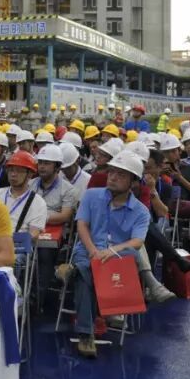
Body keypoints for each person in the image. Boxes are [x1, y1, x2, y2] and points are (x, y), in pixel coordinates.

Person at [69, 152, 151, 359]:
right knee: (86, 267)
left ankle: (73, 274)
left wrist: (111, 251)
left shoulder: (141, 211)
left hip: (116, 259)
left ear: (133, 181)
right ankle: (86, 334)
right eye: (112, 172)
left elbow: (137, 241)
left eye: (121, 175)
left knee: (87, 272)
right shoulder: (91, 195)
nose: (113, 177)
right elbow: (82, 225)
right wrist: (93, 251)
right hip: (87, 251)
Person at [0, 150, 48, 238]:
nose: (13, 174)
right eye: (11, 170)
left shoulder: (38, 202)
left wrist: (8, 239)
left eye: (19, 171)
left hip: (19, 244)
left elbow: (34, 234)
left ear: (30, 174)